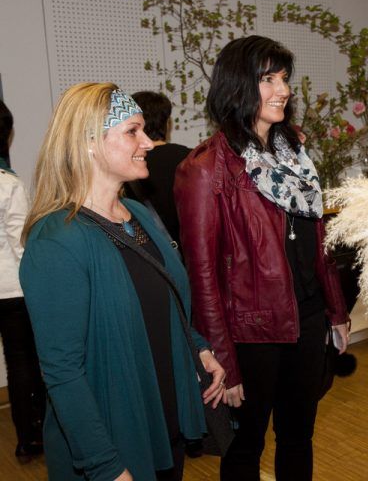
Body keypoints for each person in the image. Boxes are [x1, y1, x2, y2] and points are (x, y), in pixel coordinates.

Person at [19, 83, 226, 481]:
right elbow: (62, 371)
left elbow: (165, 302)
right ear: (89, 142)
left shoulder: (137, 213)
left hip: (162, 426)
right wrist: (105, 465)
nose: (147, 142)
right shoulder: (57, 240)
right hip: (114, 446)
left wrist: (198, 347)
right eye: (133, 131)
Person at [174, 35, 350, 480]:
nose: (283, 90)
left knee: (298, 436)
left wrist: (335, 310)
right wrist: (224, 361)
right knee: (244, 448)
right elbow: (202, 275)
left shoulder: (294, 155)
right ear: (238, 85)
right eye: (268, 79)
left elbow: (318, 240)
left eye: (284, 78)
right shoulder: (205, 169)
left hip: (307, 318)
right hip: (250, 333)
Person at [0, 99, 45, 462]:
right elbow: (21, 244)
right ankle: (31, 438)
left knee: (15, 363)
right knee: (25, 364)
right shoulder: (8, 184)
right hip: (14, 289)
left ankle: (26, 439)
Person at [123, 91, 190, 246]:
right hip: (192, 252)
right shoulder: (193, 159)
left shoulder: (128, 166)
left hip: (151, 252)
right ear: (167, 123)